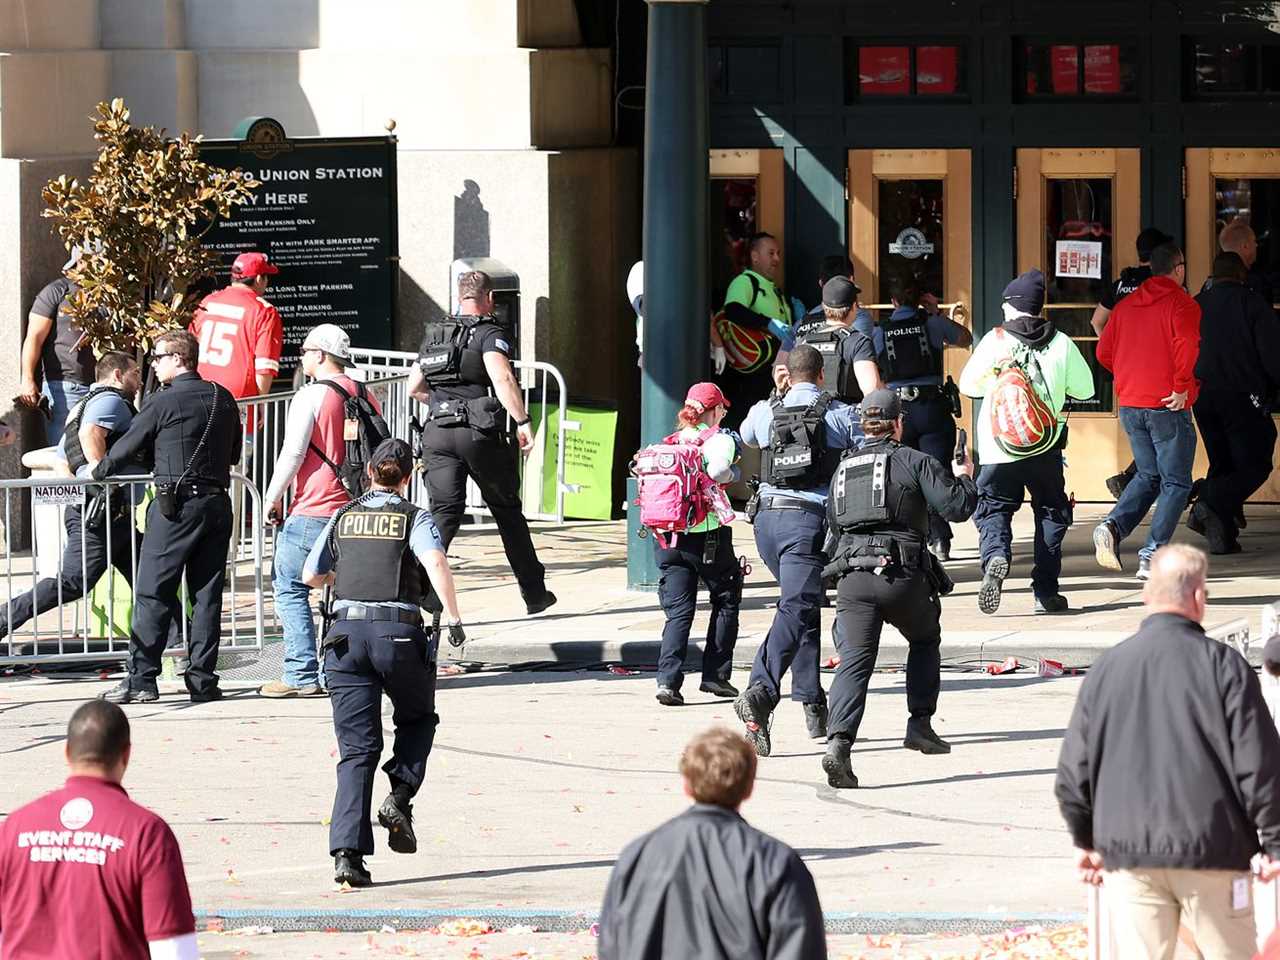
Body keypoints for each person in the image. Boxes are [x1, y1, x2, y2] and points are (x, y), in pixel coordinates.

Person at [1055, 544, 1280, 960]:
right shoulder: (1224, 666)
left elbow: (1073, 773)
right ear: (1198, 597)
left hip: (1129, 855)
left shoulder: (1107, 669)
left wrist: (1085, 838)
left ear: (1146, 596)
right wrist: (1274, 842)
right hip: (1214, 852)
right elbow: (1259, 765)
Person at [302, 439, 465, 887]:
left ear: (370, 472)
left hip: (345, 637)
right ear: (407, 476)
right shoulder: (414, 517)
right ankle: (400, 794)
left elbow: (309, 576)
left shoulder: (342, 515)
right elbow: (434, 561)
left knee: (356, 750)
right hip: (398, 633)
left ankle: (347, 856)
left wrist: (344, 574)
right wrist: (453, 617)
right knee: (417, 720)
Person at [821, 389, 978, 787]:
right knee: (925, 639)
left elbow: (834, 527)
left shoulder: (843, 468)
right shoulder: (914, 460)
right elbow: (956, 508)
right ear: (898, 424)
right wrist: (965, 477)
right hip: (901, 576)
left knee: (855, 661)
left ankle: (838, 745)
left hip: (853, 577)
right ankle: (920, 725)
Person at [92, 330, 242, 704]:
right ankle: (203, 681)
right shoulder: (222, 397)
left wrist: (98, 470)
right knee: (206, 597)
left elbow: (125, 449)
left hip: (176, 508)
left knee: (152, 592)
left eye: (157, 358)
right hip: (217, 504)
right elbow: (235, 453)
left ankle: (142, 679)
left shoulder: (162, 402)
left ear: (178, 359)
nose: (153, 365)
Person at [598, 727, 826, 960]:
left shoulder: (638, 855)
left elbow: (611, 945)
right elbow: (800, 949)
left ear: (687, 784)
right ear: (749, 788)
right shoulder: (775, 863)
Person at [0, 354, 181, 647]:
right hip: (102, 512)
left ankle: (181, 637)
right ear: (118, 375)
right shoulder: (110, 402)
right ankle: (3, 619)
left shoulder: (81, 406)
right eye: (135, 374)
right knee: (74, 582)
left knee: (147, 574)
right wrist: (102, 482)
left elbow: (62, 460)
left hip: (104, 511)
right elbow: (90, 434)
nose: (138, 382)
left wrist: (81, 494)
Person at [734, 344, 861, 756]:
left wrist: (776, 395)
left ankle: (811, 703)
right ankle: (760, 691)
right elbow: (867, 438)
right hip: (805, 523)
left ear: (787, 373)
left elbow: (747, 436)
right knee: (796, 605)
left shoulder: (765, 410)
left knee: (801, 604)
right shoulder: (836, 412)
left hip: (766, 522)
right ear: (822, 374)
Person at [407, 269, 555, 615]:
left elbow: (415, 386)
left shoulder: (436, 334)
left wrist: (443, 405)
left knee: (444, 514)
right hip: (478, 433)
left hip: (437, 432)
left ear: (460, 296)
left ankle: (421, 592)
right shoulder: (489, 333)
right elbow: (501, 377)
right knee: (506, 512)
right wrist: (523, 421)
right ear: (488, 298)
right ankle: (534, 593)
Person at [0, 700, 197, 959]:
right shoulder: (146, 833)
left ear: (67, 752)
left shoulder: (15, 827)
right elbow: (173, 949)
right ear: (126, 754)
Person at [959, 269, 1094, 614]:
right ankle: (1046, 592)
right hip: (1045, 446)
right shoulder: (1061, 341)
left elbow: (969, 387)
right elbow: (1086, 389)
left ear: (1013, 306)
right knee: (1051, 512)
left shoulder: (995, 341)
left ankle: (996, 556)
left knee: (992, 508)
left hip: (997, 448)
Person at [259, 324, 382, 698]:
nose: (301, 356)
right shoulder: (366, 394)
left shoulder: (311, 395)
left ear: (320, 355)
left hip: (314, 507)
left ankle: (300, 673)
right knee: (348, 593)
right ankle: (344, 672)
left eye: (306, 350)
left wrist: (271, 497)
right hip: (357, 509)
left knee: (291, 586)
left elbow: (294, 453)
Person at [1092, 242, 1200, 580]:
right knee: (1176, 482)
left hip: (1132, 405)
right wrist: (1181, 386)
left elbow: (1103, 352)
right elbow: (1187, 346)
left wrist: (1129, 376)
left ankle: (1112, 526)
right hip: (1167, 404)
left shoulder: (1124, 307)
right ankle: (1151, 554)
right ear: (1178, 269)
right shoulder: (1183, 304)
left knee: (1148, 475)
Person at [864, 280, 972, 560]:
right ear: (919, 300)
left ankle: (916, 537)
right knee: (935, 472)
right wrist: (936, 312)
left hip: (898, 413)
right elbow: (965, 338)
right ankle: (940, 538)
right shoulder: (932, 324)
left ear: (894, 301)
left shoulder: (881, 331)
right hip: (932, 408)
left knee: (902, 475)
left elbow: (870, 362)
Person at [653, 383, 743, 707]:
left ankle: (668, 682)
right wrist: (732, 472)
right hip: (707, 538)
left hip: (667, 537)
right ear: (715, 410)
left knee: (678, 612)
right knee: (726, 599)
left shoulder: (671, 441)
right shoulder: (720, 439)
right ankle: (715, 676)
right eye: (722, 408)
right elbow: (719, 470)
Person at [1186, 251, 1280, 555]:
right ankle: (1207, 499)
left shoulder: (1196, 304)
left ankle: (1221, 536)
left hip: (1201, 395)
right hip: (1242, 395)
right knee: (1256, 461)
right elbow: (1272, 355)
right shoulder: (1251, 303)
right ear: (1242, 275)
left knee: (1223, 462)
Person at [1091, 227, 1175, 500]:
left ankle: (1132, 480)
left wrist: (1118, 357)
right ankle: (1135, 483)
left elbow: (1096, 321)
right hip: (1159, 372)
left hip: (1128, 374)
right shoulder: (1162, 285)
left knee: (1148, 435)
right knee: (1165, 435)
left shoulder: (1121, 284)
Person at [712, 232, 795, 423]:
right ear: (755, 256)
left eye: (778, 253)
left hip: (775, 372)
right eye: (771, 253)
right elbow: (733, 310)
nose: (777, 259)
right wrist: (768, 323)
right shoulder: (745, 281)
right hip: (750, 375)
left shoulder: (774, 289)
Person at [19, 248, 97, 446]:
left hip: (101, 386)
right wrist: (27, 379)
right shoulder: (57, 291)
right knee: (63, 452)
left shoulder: (108, 296)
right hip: (64, 386)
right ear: (80, 259)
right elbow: (34, 337)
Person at [189, 251, 284, 400]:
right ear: (259, 279)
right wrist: (260, 403)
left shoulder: (208, 301)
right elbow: (264, 367)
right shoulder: (264, 311)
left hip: (200, 389)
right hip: (239, 397)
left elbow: (190, 345)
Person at [792, 276, 882, 404]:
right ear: (854, 307)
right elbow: (873, 394)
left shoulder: (804, 342)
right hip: (844, 420)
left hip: (807, 420)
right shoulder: (858, 342)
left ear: (824, 307)